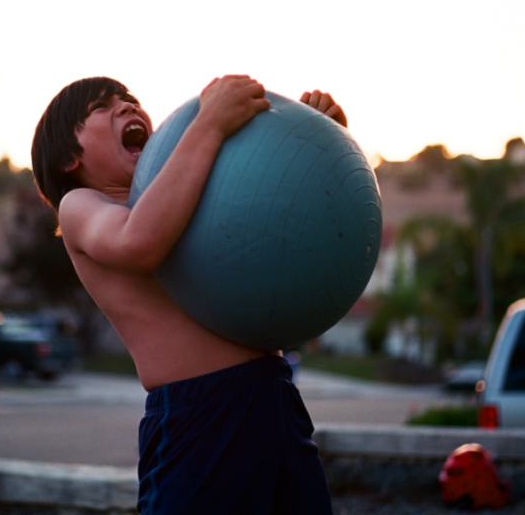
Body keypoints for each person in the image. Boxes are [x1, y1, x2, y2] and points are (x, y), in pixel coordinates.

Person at [31, 75, 346, 515]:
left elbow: (280, 222)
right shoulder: (83, 205)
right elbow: (139, 241)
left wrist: (313, 143)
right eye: (101, 108)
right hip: (200, 416)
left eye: (129, 100)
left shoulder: (190, 193)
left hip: (273, 400)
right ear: (68, 157)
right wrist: (209, 124)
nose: (125, 107)